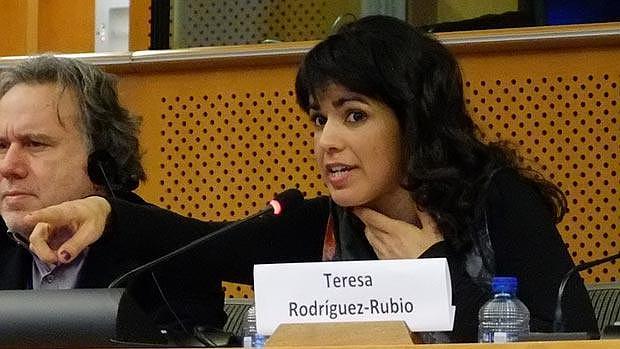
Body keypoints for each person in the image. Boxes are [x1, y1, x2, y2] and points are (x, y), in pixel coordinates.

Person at [24, 16, 597, 342]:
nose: (326, 141)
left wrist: (437, 266)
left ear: (414, 119)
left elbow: (573, 339)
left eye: (354, 115)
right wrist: (108, 212)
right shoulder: (321, 226)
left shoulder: (498, 202)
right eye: (319, 119)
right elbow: (196, 243)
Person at [0, 55, 226, 339]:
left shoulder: (169, 258)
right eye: (1, 145)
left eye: (35, 144)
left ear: (101, 162)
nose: (8, 167)